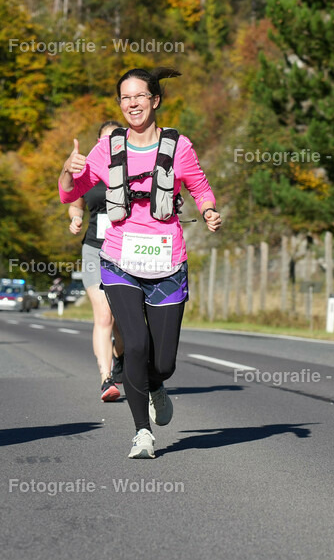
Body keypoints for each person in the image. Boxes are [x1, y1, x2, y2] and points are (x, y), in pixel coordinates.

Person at [58, 67, 222, 459]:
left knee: (162, 361)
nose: (132, 104)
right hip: (118, 259)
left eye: (140, 96)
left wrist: (210, 209)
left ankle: (157, 384)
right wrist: (67, 169)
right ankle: (141, 432)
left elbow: (199, 186)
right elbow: (70, 194)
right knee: (134, 344)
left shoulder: (178, 146)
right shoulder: (108, 148)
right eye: (125, 98)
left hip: (168, 261)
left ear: (155, 100)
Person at [68, 120, 126, 402]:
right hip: (94, 249)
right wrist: (76, 218)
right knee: (103, 315)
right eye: (104, 140)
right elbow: (75, 201)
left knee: (122, 320)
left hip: (127, 251)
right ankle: (106, 379)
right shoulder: (89, 170)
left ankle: (123, 357)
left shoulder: (133, 170)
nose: (110, 144)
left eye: (115, 139)